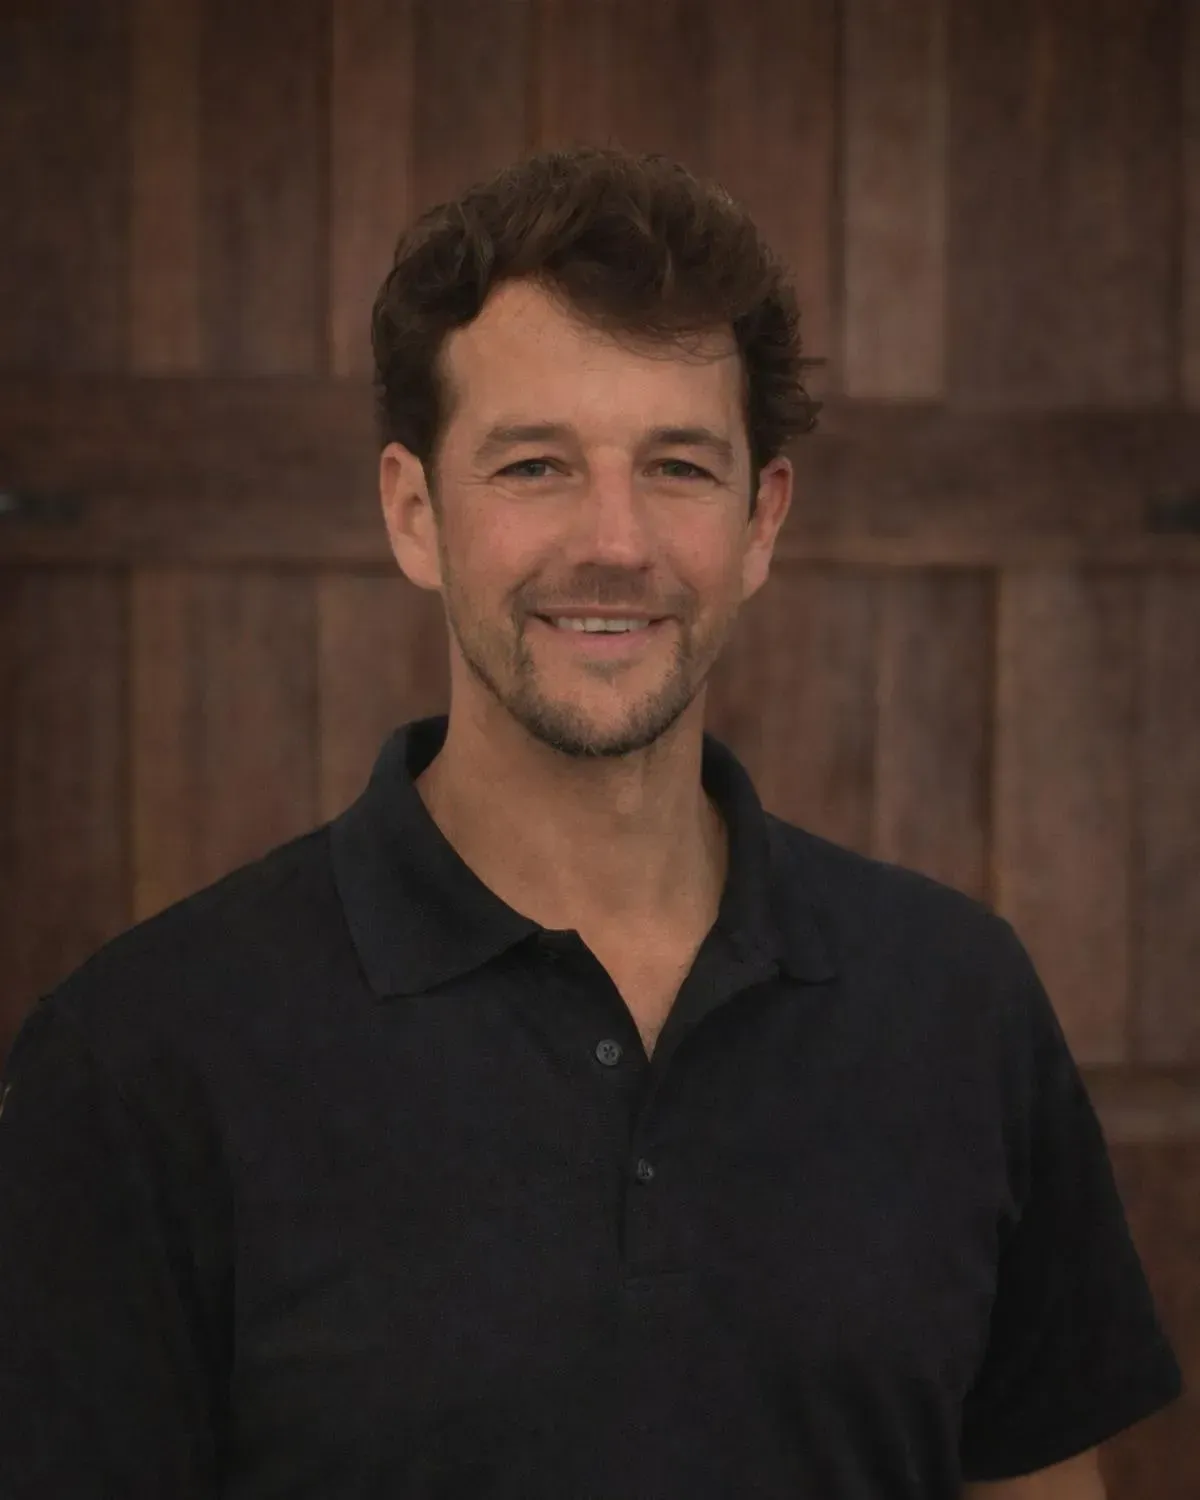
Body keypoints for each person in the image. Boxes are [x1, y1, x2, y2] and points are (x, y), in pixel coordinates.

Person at [0, 145, 1182, 1499]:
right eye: (534, 466)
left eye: (677, 465)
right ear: (414, 513)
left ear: (760, 521)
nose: (614, 542)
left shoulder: (960, 1004)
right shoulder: (139, 1060)